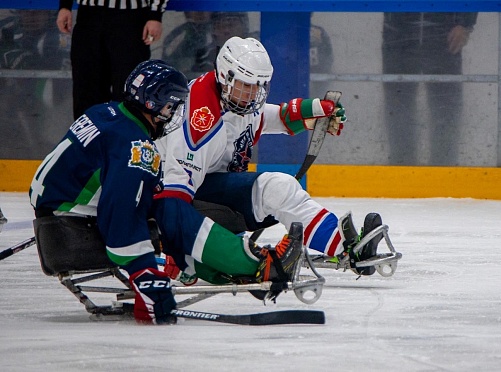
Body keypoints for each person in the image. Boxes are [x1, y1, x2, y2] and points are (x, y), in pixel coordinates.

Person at [29, 60, 303, 325]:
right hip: (74, 236)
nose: (175, 114)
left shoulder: (105, 113)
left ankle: (228, 269)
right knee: (174, 214)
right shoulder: (136, 147)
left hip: (58, 225)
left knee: (168, 208)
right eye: (172, 106)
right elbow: (120, 219)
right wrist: (144, 275)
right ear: (154, 105)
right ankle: (254, 265)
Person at [156, 36, 386, 278]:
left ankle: (349, 249)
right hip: (176, 202)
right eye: (247, 85)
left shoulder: (232, 98)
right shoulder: (199, 122)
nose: (254, 93)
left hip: (207, 190)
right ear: (225, 76)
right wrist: (175, 244)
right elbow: (173, 194)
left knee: (280, 188)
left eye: (260, 85)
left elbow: (258, 117)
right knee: (278, 187)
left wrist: (307, 114)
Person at [382, 13, 478, 165]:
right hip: (397, 34)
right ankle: (401, 167)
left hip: (445, 35)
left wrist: (465, 23)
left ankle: (444, 168)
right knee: (398, 107)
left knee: (446, 109)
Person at [56, 0, 168, 120]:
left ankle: (127, 137)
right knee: (86, 90)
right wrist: (65, 6)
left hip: (131, 17)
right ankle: (88, 137)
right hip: (88, 15)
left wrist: (155, 14)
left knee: (128, 91)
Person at [0, 10, 72, 159]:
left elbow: (54, 94)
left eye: (38, 12)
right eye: (27, 12)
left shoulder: (56, 39)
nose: (31, 16)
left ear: (49, 14)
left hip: (47, 109)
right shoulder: (7, 29)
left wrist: (26, 73)